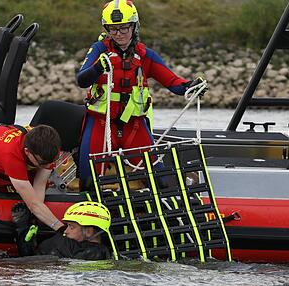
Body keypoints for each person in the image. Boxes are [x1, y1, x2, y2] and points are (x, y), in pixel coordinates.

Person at [76, 0, 206, 186]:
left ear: (134, 26)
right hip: (100, 122)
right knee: (87, 177)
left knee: (159, 179)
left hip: (134, 125)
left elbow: (173, 83)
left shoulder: (146, 55)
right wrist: (98, 67)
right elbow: (82, 80)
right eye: (113, 29)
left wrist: (191, 86)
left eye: (123, 28)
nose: (118, 34)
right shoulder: (99, 50)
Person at [13, 201, 112, 260]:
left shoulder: (94, 253)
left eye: (71, 227)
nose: (65, 231)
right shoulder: (73, 246)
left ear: (89, 231)